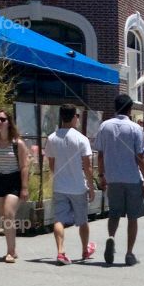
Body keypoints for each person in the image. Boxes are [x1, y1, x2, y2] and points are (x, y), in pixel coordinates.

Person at [93, 94, 144, 266]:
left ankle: (111, 237)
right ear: (130, 109)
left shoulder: (104, 127)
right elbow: (140, 157)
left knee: (114, 214)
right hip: (132, 178)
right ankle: (129, 253)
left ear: (115, 107)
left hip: (113, 178)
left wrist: (102, 176)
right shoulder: (135, 129)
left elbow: (100, 155)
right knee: (133, 217)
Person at [45, 105, 96, 265]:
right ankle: (84, 250)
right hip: (78, 186)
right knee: (83, 221)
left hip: (60, 186)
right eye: (78, 116)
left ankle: (60, 252)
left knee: (59, 219)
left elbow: (51, 164)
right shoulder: (82, 139)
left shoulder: (52, 138)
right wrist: (91, 186)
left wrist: (58, 176)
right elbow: (87, 166)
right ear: (74, 117)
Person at [0, 108, 30, 263]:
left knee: (9, 213)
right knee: (4, 218)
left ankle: (10, 252)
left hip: (14, 180)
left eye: (3, 119)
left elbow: (24, 166)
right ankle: (13, 249)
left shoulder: (18, 144)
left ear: (9, 123)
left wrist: (24, 187)